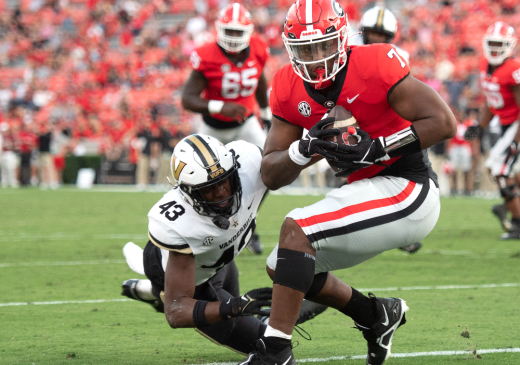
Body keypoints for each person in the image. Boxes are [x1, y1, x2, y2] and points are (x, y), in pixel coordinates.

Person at [240, 1, 456, 364]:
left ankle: (274, 351)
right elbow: (270, 173)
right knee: (284, 264)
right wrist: (302, 149)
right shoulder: (287, 86)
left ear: (341, 38)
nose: (316, 57)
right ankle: (375, 315)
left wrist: (380, 148)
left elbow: (443, 121)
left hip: (409, 186)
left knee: (297, 229)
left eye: (323, 45)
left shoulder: (375, 64)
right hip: (366, 188)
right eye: (306, 49)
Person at [120, 134, 325, 356]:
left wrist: (323, 144)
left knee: (316, 296)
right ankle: (157, 290)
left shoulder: (249, 165)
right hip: (190, 276)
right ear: (189, 193)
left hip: (218, 261)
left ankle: (150, 291)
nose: (220, 192)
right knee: (263, 342)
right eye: (209, 188)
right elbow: (177, 311)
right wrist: (234, 307)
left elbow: (288, 162)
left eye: (223, 181)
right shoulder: (179, 224)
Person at [181, 2, 271, 254]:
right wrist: (220, 107)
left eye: (236, 32)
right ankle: (199, 230)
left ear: (248, 32)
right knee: (200, 181)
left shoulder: (258, 49)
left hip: (245, 123)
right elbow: (187, 98)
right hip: (213, 128)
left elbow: (261, 82)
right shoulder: (207, 54)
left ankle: (247, 221)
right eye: (228, 31)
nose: (232, 37)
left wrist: (265, 114)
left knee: (270, 169)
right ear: (219, 30)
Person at [467, 21, 520, 240]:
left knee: (501, 171)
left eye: (499, 44)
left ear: (510, 46)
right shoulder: (485, 66)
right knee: (499, 171)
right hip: (510, 125)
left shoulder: (515, 69)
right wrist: (478, 126)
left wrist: (516, 140)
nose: (494, 48)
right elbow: (493, 102)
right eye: (491, 43)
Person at [355, 4, 421, 254]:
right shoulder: (353, 51)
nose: (377, 41)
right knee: (360, 176)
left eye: (382, 37)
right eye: (373, 34)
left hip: (386, 120)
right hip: (359, 120)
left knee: (392, 175)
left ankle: (397, 231)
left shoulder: (398, 55)